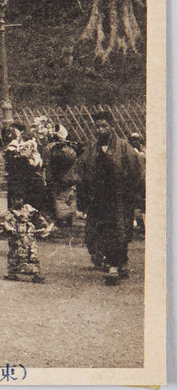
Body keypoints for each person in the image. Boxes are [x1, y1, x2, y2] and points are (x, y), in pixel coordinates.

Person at [73, 111, 143, 285]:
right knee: (97, 232)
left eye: (104, 126)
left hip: (119, 197)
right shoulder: (93, 149)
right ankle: (115, 262)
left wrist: (133, 194)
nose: (100, 130)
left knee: (118, 232)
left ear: (112, 126)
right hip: (98, 198)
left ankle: (115, 266)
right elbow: (80, 170)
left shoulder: (124, 147)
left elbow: (136, 173)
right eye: (97, 126)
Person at [2, 196, 54, 283]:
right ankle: (12, 272)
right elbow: (6, 223)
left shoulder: (29, 209)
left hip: (29, 235)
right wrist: (9, 229)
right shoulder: (10, 212)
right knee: (15, 254)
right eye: (14, 199)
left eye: (19, 199)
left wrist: (45, 225)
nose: (16, 201)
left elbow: (39, 217)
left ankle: (36, 274)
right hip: (17, 236)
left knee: (32, 254)